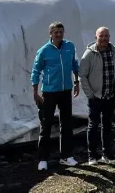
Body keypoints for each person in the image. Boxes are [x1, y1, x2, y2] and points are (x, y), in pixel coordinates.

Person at [30, 21, 81, 171]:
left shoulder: (69, 46)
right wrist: (35, 92)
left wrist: (77, 82)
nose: (58, 35)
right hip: (49, 92)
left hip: (65, 90)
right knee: (46, 125)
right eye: (55, 32)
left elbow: (74, 65)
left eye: (61, 32)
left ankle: (66, 156)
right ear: (50, 34)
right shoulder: (44, 51)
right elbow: (36, 71)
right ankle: (43, 158)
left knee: (66, 124)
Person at [79, 26, 115, 164]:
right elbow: (82, 75)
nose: (104, 38)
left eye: (106, 36)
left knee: (107, 125)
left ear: (109, 37)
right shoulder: (89, 54)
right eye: (101, 36)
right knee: (93, 126)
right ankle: (92, 155)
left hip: (110, 95)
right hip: (96, 97)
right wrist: (90, 94)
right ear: (96, 37)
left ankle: (107, 153)